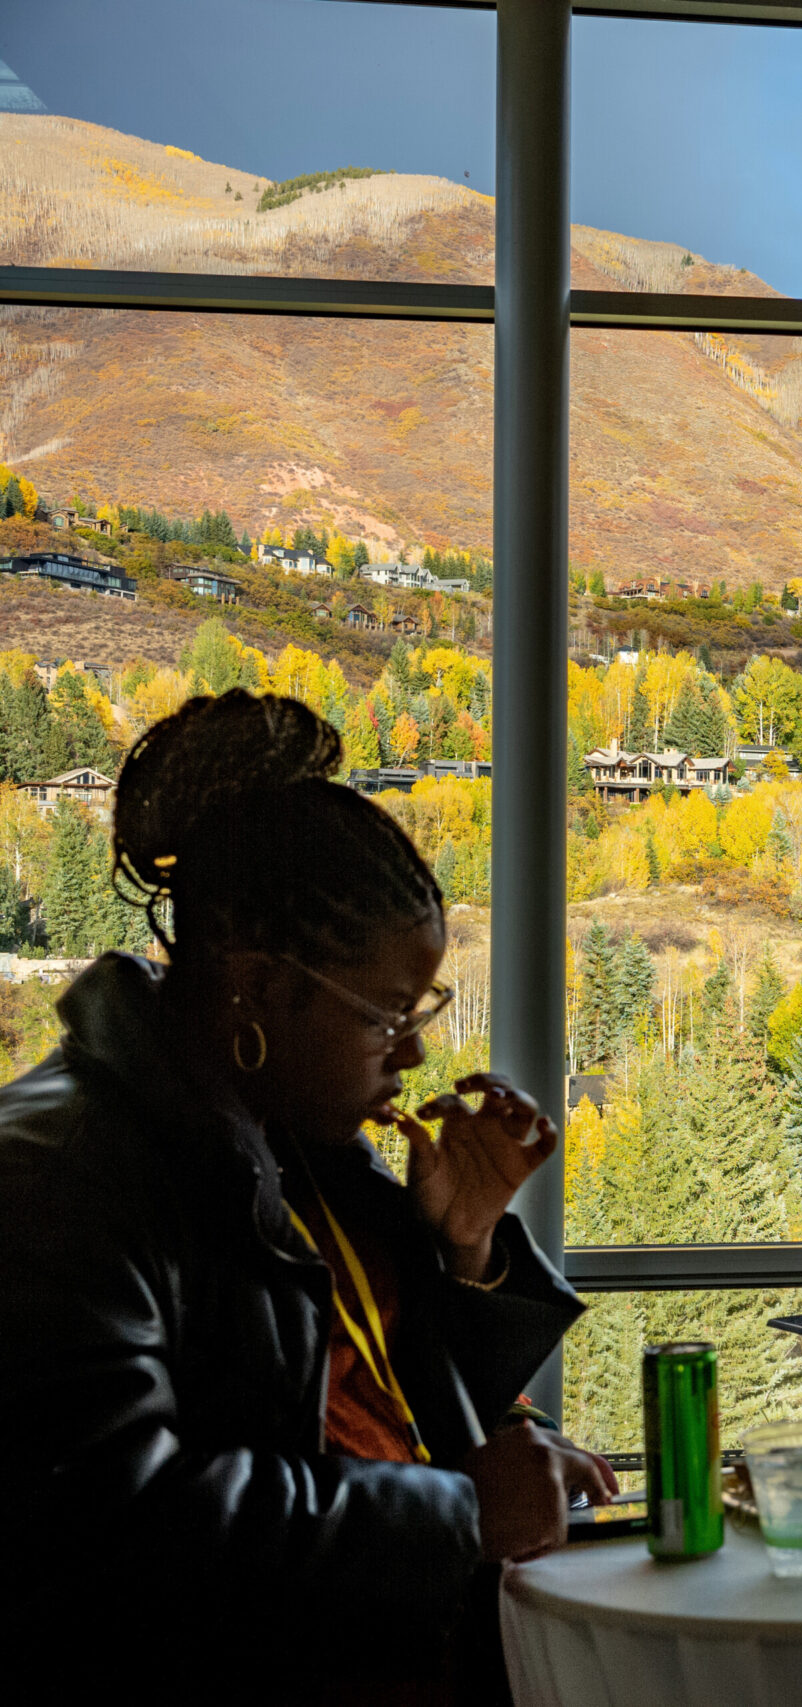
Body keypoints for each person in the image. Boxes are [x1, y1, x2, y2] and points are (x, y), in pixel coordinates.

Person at [0, 690, 615, 1704]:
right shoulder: (58, 1175)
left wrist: (463, 1249)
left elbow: (361, 1405)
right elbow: (112, 1527)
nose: (413, 1050)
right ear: (256, 986)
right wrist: (459, 1510)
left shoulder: (293, 1142)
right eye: (385, 1012)